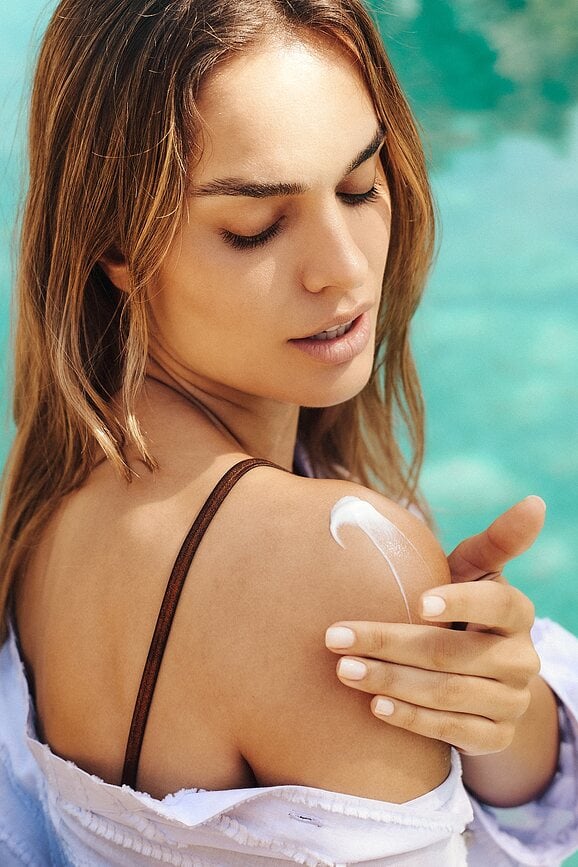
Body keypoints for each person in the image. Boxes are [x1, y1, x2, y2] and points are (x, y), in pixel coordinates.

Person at [0, 0, 576, 864]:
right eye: (254, 228)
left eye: (361, 184)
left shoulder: (54, 489)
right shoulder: (331, 555)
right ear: (113, 243)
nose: (343, 268)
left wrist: (507, 699)